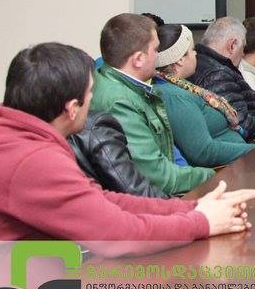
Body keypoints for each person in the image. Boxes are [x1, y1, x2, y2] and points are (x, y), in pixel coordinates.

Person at [0, 42, 255, 257]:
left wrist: (192, 208)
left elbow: (102, 200)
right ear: (72, 109)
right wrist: (201, 222)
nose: (94, 100)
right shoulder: (32, 160)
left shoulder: (16, 138)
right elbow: (115, 234)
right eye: (90, 93)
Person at [90, 13, 214, 195]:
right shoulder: (119, 101)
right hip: (156, 200)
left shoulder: (123, 86)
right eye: (156, 50)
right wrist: (213, 176)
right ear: (138, 59)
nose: (159, 56)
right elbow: (160, 177)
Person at [153, 24, 255, 167]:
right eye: (192, 50)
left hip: (239, 162)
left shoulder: (181, 86)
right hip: (226, 171)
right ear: (179, 59)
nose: (196, 54)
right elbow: (203, 152)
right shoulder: (174, 96)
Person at [189, 17, 255, 142]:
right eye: (243, 48)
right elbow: (242, 124)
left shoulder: (210, 65)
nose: (243, 54)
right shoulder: (217, 74)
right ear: (232, 45)